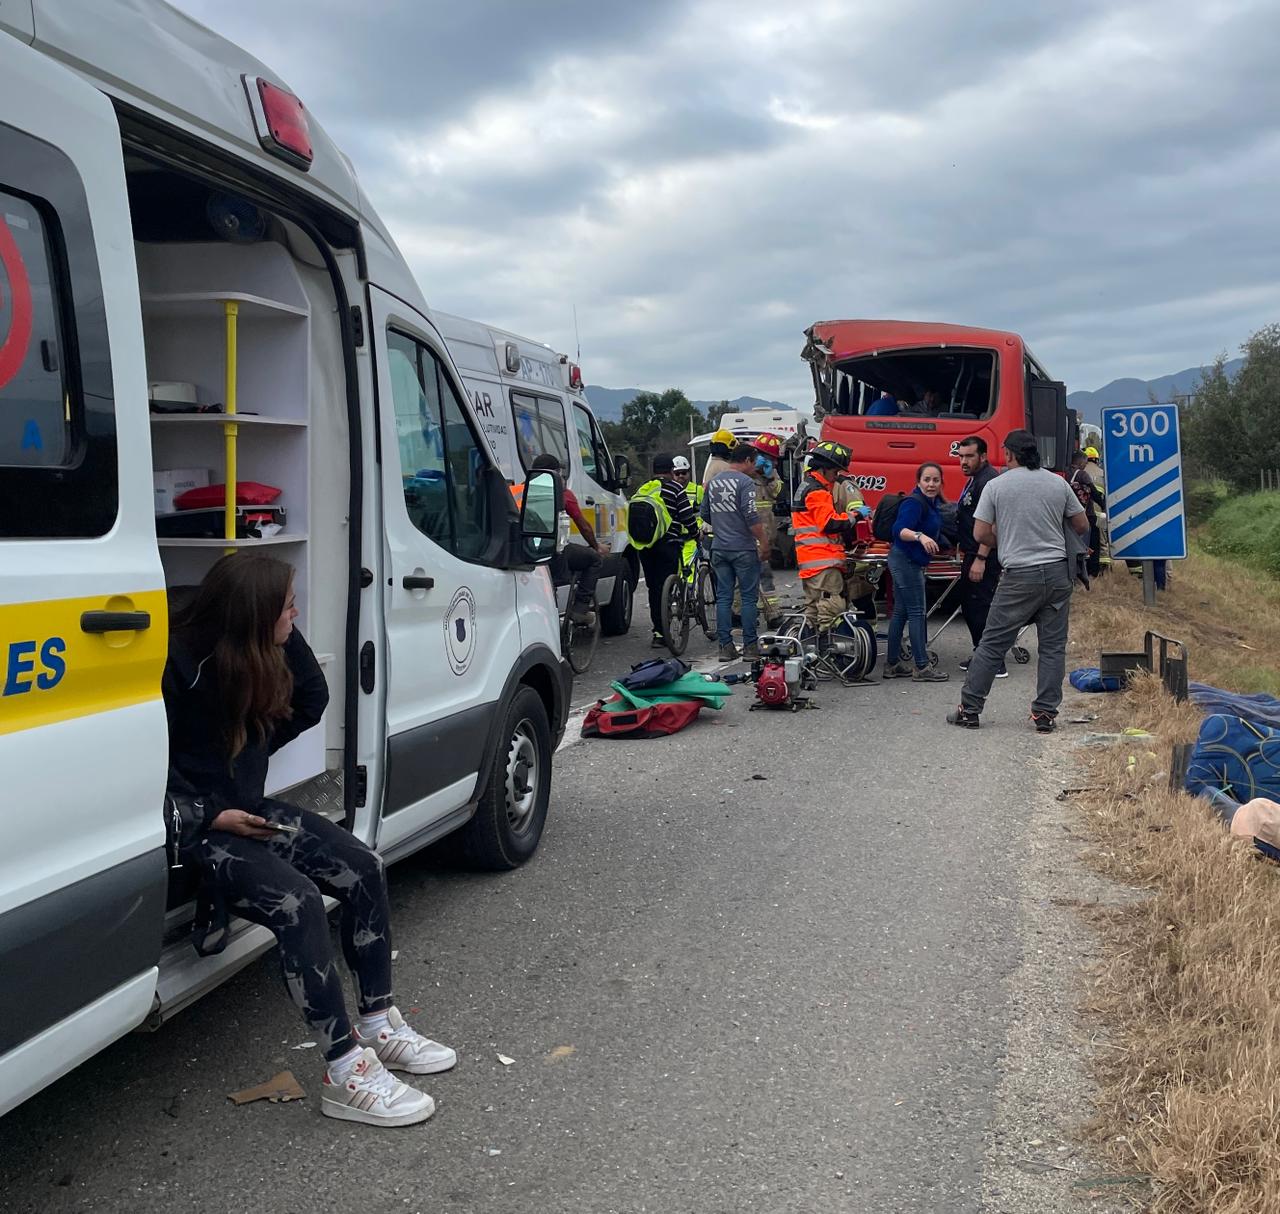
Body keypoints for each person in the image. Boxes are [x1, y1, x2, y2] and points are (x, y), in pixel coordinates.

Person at [163, 553, 454, 1128]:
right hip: (199, 830)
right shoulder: (177, 667)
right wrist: (210, 813)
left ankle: (376, 1021)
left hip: (244, 809)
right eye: (287, 605)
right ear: (251, 615)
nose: (296, 612)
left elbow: (312, 700)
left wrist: (280, 631)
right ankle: (346, 1071)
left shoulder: (249, 655)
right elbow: (137, 770)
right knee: (298, 904)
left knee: (363, 866)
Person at [947, 429, 1087, 732]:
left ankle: (969, 709)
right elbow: (1081, 523)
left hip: (1019, 575)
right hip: (1057, 573)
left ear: (1009, 454)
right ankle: (1045, 714)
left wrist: (1006, 536)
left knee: (992, 644)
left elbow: (980, 534)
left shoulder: (997, 486)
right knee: (1052, 647)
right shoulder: (1057, 483)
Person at [882, 462, 950, 682]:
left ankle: (892, 664)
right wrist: (921, 536)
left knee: (901, 612)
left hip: (905, 559)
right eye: (927, 480)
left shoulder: (931, 503)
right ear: (918, 482)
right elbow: (899, 530)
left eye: (935, 480)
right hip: (906, 560)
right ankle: (922, 667)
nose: (931, 484)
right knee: (917, 612)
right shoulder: (914, 502)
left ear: (941, 482)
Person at [701, 445, 769, 659]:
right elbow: (751, 516)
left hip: (719, 548)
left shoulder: (713, 483)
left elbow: (705, 513)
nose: (755, 467)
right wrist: (763, 542)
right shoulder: (745, 482)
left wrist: (722, 525)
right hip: (743, 548)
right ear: (747, 460)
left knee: (723, 598)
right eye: (755, 462)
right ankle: (750, 647)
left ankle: (725, 647)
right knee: (748, 599)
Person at [529, 453, 607, 624]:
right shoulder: (563, 494)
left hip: (527, 552)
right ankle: (580, 609)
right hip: (553, 552)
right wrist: (595, 546)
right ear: (555, 474)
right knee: (593, 560)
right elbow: (584, 526)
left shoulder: (521, 490)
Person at [792, 440, 859, 631]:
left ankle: (809, 652)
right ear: (824, 469)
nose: (835, 477)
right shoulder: (817, 492)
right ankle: (829, 652)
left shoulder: (805, 486)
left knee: (813, 610)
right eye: (835, 472)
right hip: (824, 561)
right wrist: (855, 515)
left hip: (810, 562)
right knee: (832, 608)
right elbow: (830, 524)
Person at [954, 436, 1006, 679]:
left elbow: (993, 525)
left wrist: (981, 558)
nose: (963, 461)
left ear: (983, 456)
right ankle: (982, 653)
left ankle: (994, 663)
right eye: (961, 456)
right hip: (973, 552)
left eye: (969, 456)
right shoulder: (976, 479)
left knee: (980, 607)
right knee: (971, 605)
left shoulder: (988, 482)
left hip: (982, 555)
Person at [635, 453, 699, 647]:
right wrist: (696, 534)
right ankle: (672, 613)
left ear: (653, 471)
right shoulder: (675, 489)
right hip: (668, 544)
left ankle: (658, 633)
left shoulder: (643, 489)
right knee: (667, 584)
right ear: (671, 470)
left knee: (653, 588)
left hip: (645, 546)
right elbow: (687, 516)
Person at [1068, 450, 1104, 578]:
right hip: (1087, 514)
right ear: (1081, 462)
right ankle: (1092, 572)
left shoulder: (1066, 473)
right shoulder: (1082, 474)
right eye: (1084, 462)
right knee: (1093, 544)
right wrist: (1104, 506)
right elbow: (1094, 493)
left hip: (1070, 516)